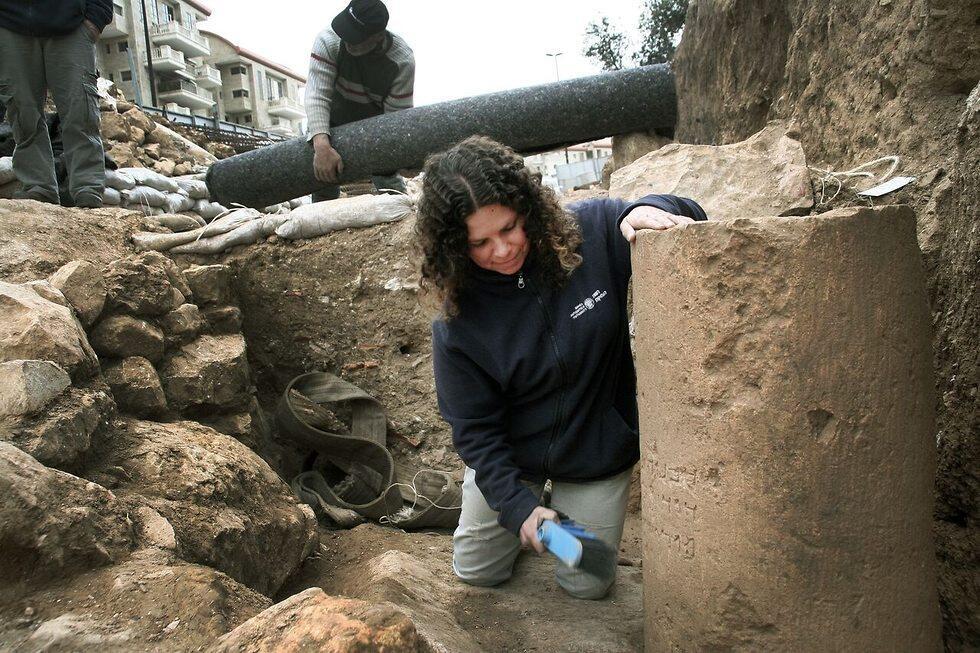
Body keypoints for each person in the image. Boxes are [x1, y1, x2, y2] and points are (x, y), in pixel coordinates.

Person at [415, 136, 708, 600]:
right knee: (478, 572)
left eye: (510, 228)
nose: (503, 249)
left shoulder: (590, 232)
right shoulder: (458, 321)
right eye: (480, 243)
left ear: (526, 209)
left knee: (587, 582)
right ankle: (531, 516)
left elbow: (686, 209)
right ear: (454, 246)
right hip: (513, 459)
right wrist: (518, 507)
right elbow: (474, 431)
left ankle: (564, 520)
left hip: (594, 451)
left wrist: (646, 209)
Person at [0, 0, 110, 207]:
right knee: (23, 112)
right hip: (9, 24)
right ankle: (38, 186)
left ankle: (87, 186)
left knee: (80, 109)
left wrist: (96, 18)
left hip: (72, 25)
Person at [305, 0, 414, 202]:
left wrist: (403, 155)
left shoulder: (401, 60)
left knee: (388, 179)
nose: (347, 41)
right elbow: (317, 95)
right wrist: (321, 144)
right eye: (346, 33)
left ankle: (398, 205)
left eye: (356, 38)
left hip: (374, 126)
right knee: (322, 177)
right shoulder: (329, 41)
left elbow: (396, 119)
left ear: (378, 36)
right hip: (332, 121)